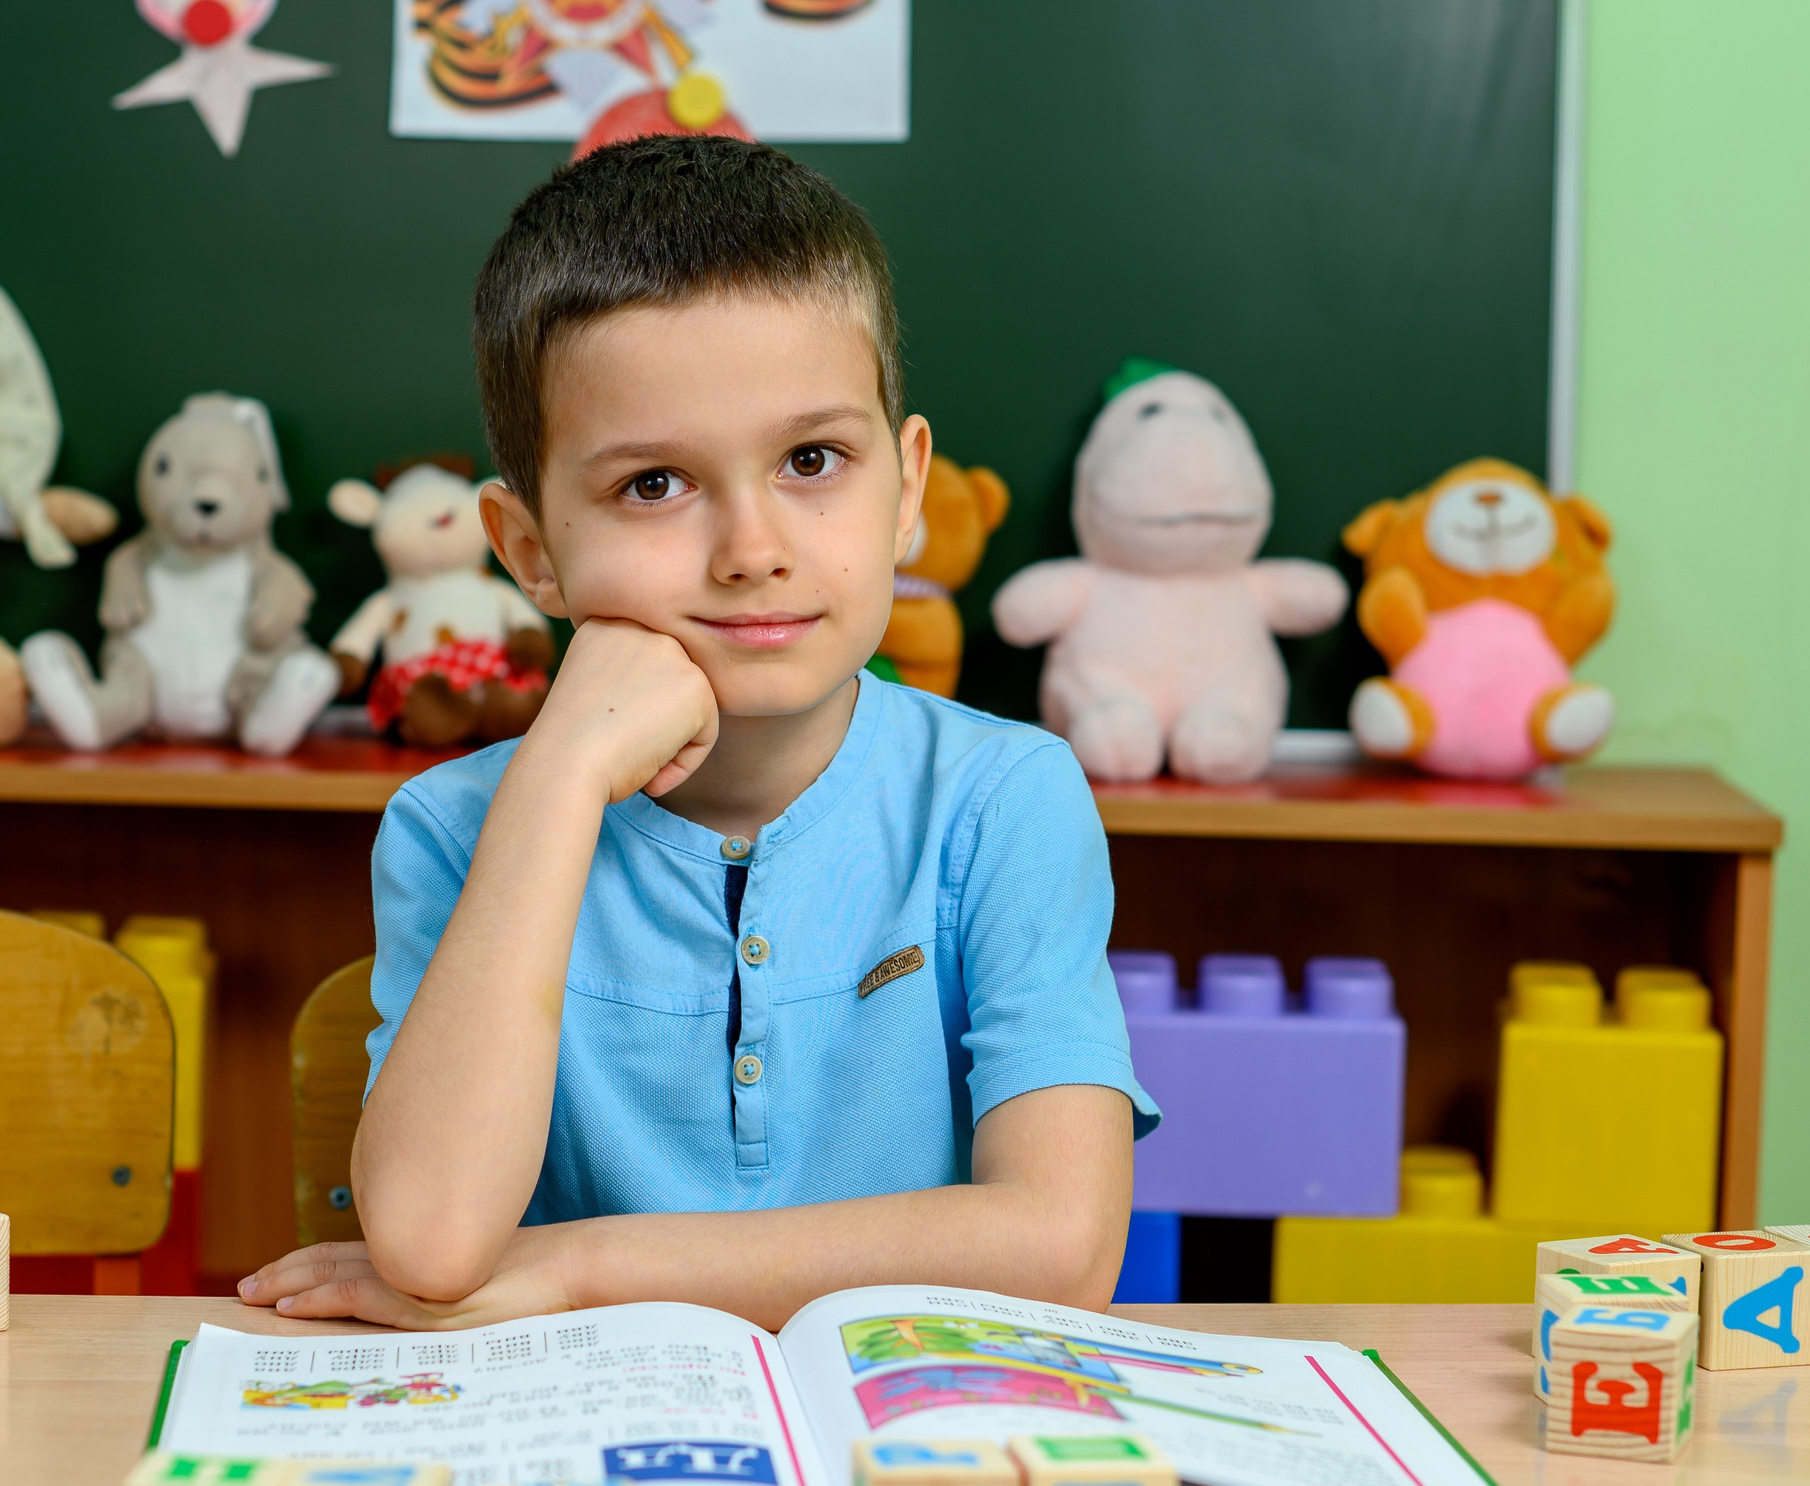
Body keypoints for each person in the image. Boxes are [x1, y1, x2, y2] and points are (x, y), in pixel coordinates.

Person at [242, 137, 1155, 1332]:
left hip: (909, 1454)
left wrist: (572, 1270)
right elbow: (428, 1235)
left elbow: (1059, 1242)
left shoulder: (1003, 796)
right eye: (654, 485)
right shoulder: (456, 824)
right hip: (577, 1463)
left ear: (909, 489)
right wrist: (562, 774)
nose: (751, 549)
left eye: (812, 460)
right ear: (529, 554)